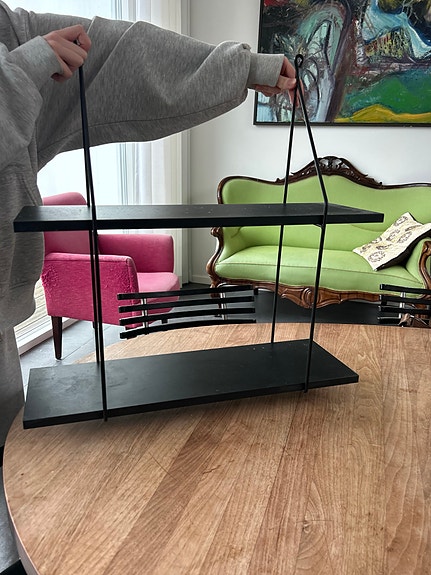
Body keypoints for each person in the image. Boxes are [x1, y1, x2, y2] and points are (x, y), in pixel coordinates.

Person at [0, 1, 297, 448]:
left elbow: (119, 48)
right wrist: (25, 67)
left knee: (11, 452)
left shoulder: (8, 26)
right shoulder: (25, 50)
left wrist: (245, 67)